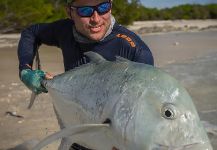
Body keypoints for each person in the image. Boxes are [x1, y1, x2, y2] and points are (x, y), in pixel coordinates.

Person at [17, 0, 154, 149]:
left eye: (103, 8)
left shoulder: (136, 51)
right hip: (75, 133)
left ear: (111, 6)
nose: (96, 19)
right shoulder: (65, 30)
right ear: (70, 12)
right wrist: (25, 70)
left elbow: (141, 115)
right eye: (85, 11)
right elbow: (31, 32)